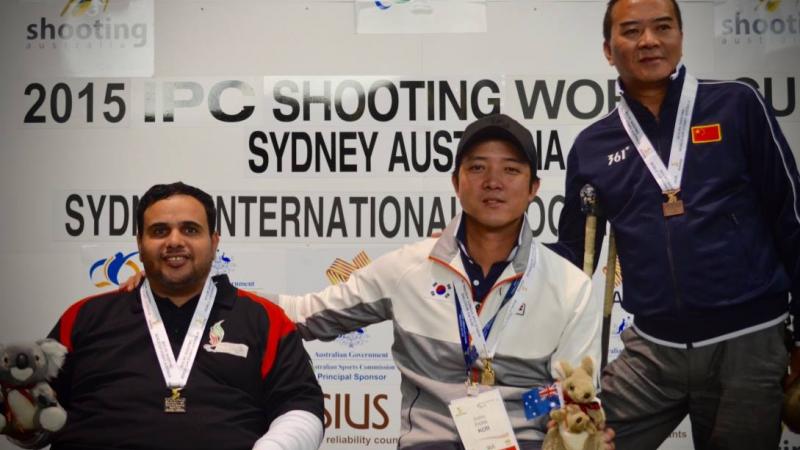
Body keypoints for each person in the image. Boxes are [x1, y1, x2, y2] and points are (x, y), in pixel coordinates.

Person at [274, 113, 606, 449]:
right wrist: (224, 295)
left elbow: (574, 395)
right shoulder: (408, 269)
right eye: (477, 168)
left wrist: (527, 407)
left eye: (511, 169)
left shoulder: (570, 287)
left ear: (534, 187)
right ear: (455, 182)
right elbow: (304, 313)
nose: (493, 181)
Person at [554, 0, 800, 449]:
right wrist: (490, 247)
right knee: (580, 442)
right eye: (631, 31)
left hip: (748, 344)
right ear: (608, 50)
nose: (648, 41)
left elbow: (792, 217)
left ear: (681, 38)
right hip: (653, 351)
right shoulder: (593, 146)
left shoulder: (737, 105)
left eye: (662, 27)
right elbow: (573, 256)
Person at [6, 182, 324, 450]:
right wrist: (25, 423)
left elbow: (301, 407)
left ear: (214, 243)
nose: (174, 241)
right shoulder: (85, 318)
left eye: (190, 229)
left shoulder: (263, 320)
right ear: (140, 244)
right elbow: (35, 413)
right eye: (160, 231)